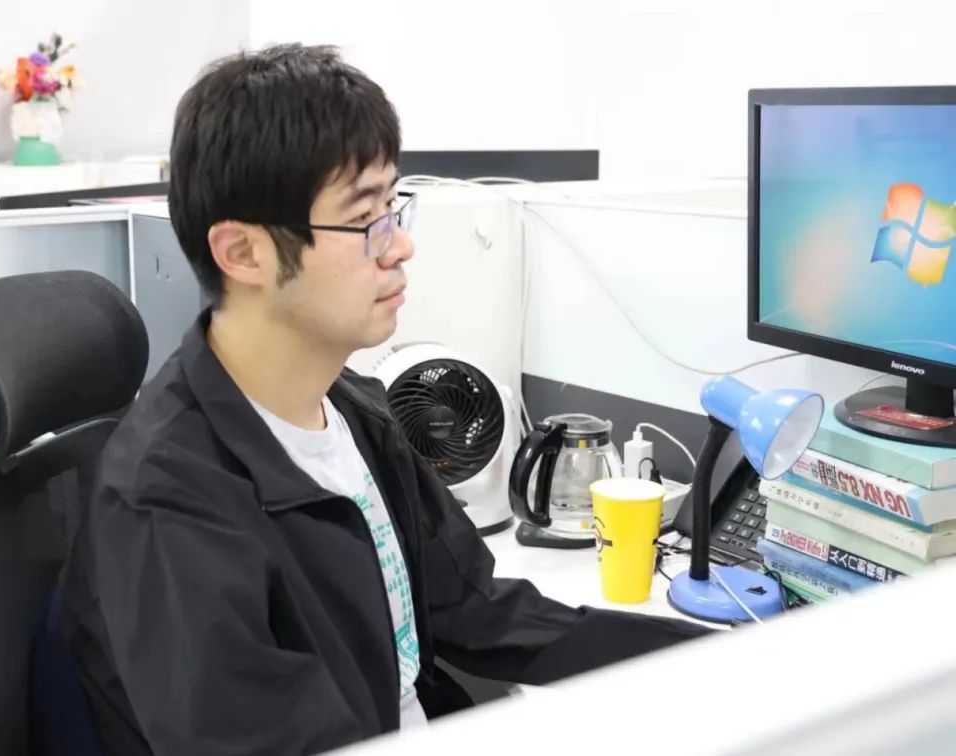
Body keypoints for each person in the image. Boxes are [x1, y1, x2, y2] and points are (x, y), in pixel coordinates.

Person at [61, 43, 711, 756]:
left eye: (396, 208)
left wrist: (722, 661)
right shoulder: (168, 503)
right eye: (366, 218)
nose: (400, 247)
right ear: (243, 253)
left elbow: (476, 613)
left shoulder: (355, 411)